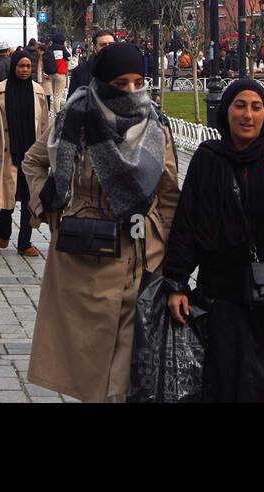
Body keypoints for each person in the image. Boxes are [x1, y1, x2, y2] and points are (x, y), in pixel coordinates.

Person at [21, 42, 180, 402]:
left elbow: (169, 193)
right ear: (103, 80)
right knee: (91, 368)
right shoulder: (74, 117)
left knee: (121, 376)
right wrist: (51, 211)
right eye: (120, 82)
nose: (130, 91)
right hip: (82, 258)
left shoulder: (155, 124)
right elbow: (32, 163)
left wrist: (164, 246)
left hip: (140, 259)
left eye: (138, 82)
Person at [163, 77, 264, 402]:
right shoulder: (209, 157)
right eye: (240, 106)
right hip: (223, 294)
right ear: (226, 111)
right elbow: (187, 221)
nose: (248, 115)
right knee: (226, 382)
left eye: (257, 107)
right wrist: (176, 281)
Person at [0, 50, 49, 256]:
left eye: (29, 66)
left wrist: (47, 153)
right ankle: (3, 230)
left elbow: (46, 124)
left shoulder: (38, 91)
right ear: (14, 66)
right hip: (8, 151)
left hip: (32, 154)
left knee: (29, 199)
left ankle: (24, 243)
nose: (25, 70)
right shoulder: (1, 90)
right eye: (21, 66)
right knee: (8, 199)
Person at [68, 29, 116, 96]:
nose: (108, 47)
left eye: (111, 44)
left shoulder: (124, 69)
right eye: (103, 45)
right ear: (94, 48)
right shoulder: (80, 71)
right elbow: (72, 101)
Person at [43, 32, 71, 111]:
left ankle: (55, 112)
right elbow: (69, 57)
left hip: (52, 73)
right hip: (61, 73)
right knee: (58, 95)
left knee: (55, 94)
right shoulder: (62, 48)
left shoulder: (50, 48)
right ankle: (57, 114)